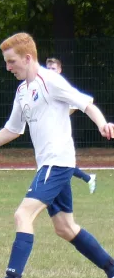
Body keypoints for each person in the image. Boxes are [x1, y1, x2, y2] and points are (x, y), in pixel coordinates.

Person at [0, 32, 114, 278]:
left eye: (11, 61)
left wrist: (102, 123)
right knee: (65, 227)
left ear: (28, 58)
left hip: (57, 162)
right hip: (50, 165)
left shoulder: (50, 81)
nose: (8, 67)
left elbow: (85, 103)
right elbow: (13, 129)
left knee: (23, 214)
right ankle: (112, 270)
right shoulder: (22, 91)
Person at [46, 57, 96, 194]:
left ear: (60, 70)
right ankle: (87, 178)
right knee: (57, 165)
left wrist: (67, 112)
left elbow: (87, 100)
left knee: (60, 164)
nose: (51, 71)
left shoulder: (62, 87)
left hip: (60, 136)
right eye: (48, 68)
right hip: (48, 135)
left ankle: (87, 179)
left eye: (54, 68)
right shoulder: (43, 87)